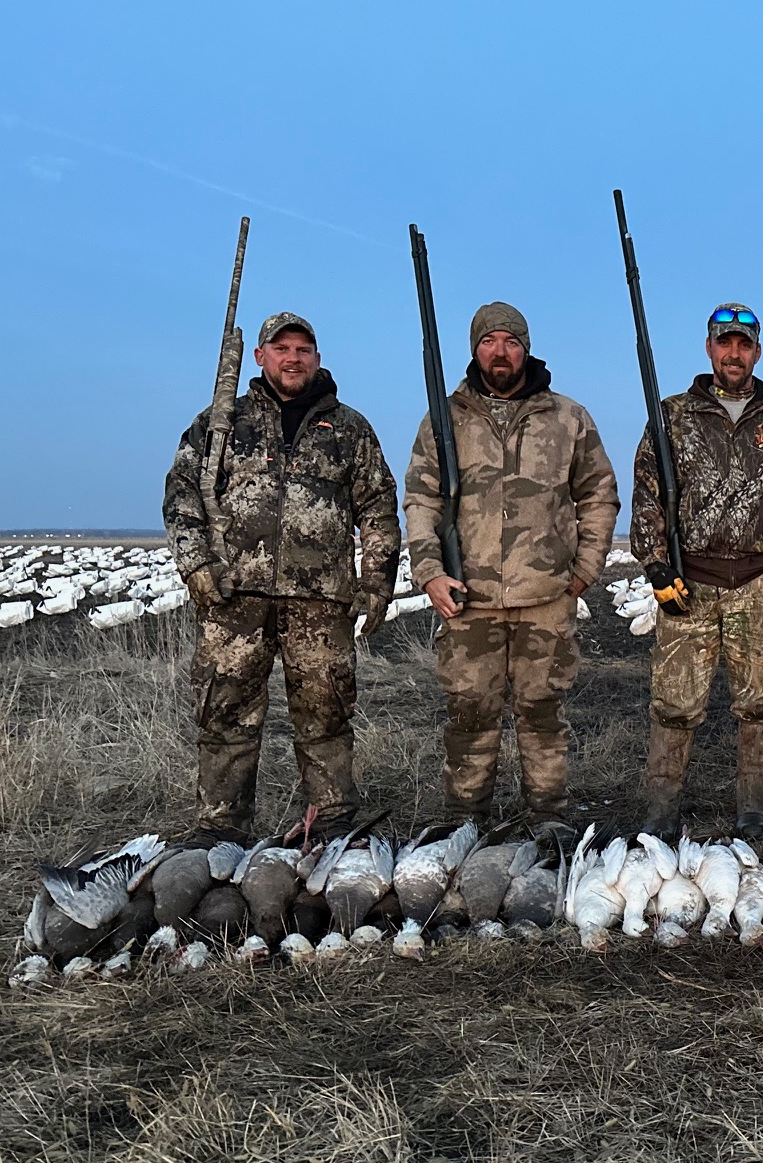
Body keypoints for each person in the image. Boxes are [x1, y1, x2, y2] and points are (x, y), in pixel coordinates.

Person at [163, 312, 400, 843]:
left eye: (303, 350)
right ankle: (219, 831)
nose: (293, 358)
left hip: (321, 602)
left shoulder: (350, 428)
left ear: (318, 358)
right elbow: (181, 497)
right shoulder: (220, 425)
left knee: (326, 714)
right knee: (225, 713)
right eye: (282, 349)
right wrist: (197, 566)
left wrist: (378, 579)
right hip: (234, 599)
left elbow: (379, 507)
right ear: (260, 356)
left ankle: (334, 823)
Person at [404, 301, 619, 828]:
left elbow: (599, 493)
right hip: (467, 596)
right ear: (474, 349)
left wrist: (586, 568)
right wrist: (430, 571)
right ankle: (463, 820)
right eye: (489, 341)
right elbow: (420, 499)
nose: (500, 351)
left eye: (511, 341)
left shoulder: (568, 417)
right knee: (469, 712)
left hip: (545, 597)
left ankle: (548, 818)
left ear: (526, 349)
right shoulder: (444, 418)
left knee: (543, 713)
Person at [630, 302, 763, 843]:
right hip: (689, 581)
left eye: (744, 344)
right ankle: (661, 811)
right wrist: (655, 565)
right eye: (725, 342)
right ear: (709, 348)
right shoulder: (672, 415)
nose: (734, 353)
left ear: (757, 352)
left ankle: (753, 809)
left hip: (762, 581)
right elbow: (648, 497)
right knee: (675, 700)